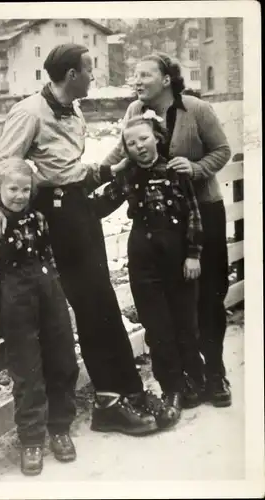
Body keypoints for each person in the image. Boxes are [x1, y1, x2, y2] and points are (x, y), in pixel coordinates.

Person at [0, 43, 177, 435]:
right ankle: (109, 402)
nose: (93, 77)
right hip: (57, 218)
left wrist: (111, 169)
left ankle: (128, 392)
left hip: (78, 211)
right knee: (91, 306)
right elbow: (1, 164)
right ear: (72, 74)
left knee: (102, 300)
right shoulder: (29, 111)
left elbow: (69, 169)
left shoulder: (75, 110)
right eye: (89, 70)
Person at [100, 52, 232, 407]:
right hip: (160, 225)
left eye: (144, 75)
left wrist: (196, 167)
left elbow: (222, 150)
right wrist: (94, 176)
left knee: (208, 295)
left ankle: (215, 373)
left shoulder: (196, 109)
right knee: (176, 302)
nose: (137, 81)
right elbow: (121, 151)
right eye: (134, 75)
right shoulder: (132, 112)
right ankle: (186, 379)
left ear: (167, 79)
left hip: (201, 209)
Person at [92, 112, 205, 419]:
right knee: (157, 326)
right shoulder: (127, 176)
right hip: (143, 256)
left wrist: (193, 254)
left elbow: (193, 214)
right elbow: (101, 205)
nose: (139, 146)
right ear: (125, 149)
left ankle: (195, 379)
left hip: (178, 253)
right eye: (131, 143)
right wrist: (65, 204)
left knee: (185, 322)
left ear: (157, 137)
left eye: (143, 138)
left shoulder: (177, 169)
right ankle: (172, 390)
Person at [0, 158, 79, 476]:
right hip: (15, 300)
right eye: (12, 189)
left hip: (48, 293)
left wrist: (55, 289)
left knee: (63, 360)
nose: (19, 195)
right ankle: (31, 440)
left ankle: (60, 428)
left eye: (24, 189)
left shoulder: (38, 218)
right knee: (27, 370)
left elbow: (47, 254)